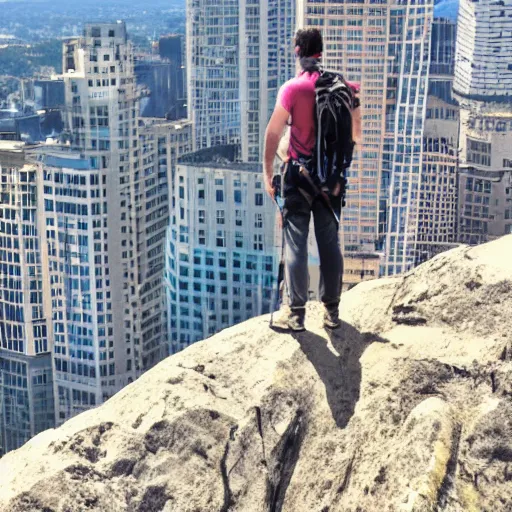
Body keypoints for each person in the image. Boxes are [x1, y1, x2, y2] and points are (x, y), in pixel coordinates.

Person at [263, 28, 361, 332]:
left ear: (297, 51)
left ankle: (296, 314)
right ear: (321, 51)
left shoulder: (292, 89)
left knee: (296, 244)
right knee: (330, 243)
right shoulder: (345, 87)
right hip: (331, 181)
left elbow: (272, 133)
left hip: (298, 178)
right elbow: (356, 135)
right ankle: (331, 312)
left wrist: (268, 174)